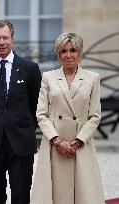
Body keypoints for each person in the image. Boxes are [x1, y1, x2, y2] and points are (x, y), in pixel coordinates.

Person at [30, 32, 105, 204]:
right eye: (64, 51)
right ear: (58, 54)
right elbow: (41, 114)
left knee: (84, 194)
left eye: (73, 50)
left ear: (80, 53)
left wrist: (78, 140)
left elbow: (95, 116)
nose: (69, 55)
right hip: (54, 144)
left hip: (80, 144)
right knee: (56, 194)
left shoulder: (93, 78)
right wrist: (57, 141)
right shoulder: (48, 77)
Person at [0, 19, 42, 204]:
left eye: (5, 37)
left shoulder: (30, 68)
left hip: (21, 143)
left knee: (21, 196)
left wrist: (23, 126)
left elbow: (36, 104)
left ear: (12, 39)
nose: (1, 42)